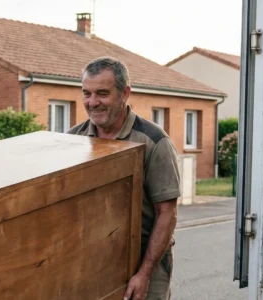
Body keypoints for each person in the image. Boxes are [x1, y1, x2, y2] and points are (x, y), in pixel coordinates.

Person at [66, 57, 179, 300]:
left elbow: (166, 213)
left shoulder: (154, 141)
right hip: (93, 262)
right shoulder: (71, 140)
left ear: (125, 93)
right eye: (87, 93)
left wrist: (145, 273)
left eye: (102, 94)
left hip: (145, 260)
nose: (92, 102)